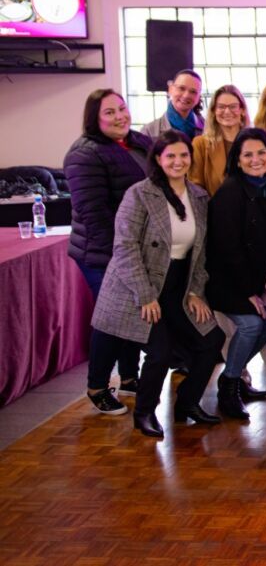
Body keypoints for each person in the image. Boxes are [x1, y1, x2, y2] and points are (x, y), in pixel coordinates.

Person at [89, 131, 225, 439]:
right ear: (158, 160)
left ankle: (187, 402)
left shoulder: (199, 196)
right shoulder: (139, 194)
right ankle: (144, 413)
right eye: (170, 156)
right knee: (160, 352)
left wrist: (195, 291)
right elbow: (125, 247)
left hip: (178, 289)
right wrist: (145, 295)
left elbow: (201, 252)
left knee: (212, 339)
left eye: (183, 155)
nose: (178, 161)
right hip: (136, 288)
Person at [65, 89, 152, 413]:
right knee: (112, 316)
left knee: (132, 313)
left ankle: (129, 377)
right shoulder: (84, 154)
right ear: (95, 118)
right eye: (109, 112)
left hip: (134, 247)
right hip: (102, 252)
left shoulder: (140, 142)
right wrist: (122, 256)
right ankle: (97, 386)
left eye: (122, 109)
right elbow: (94, 214)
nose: (120, 117)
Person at [206, 129, 266, 419]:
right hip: (227, 279)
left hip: (257, 278)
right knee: (251, 326)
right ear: (238, 160)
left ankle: (233, 379)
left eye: (261, 153)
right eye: (248, 155)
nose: (256, 159)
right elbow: (227, 248)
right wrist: (249, 292)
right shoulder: (230, 191)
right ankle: (230, 385)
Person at [190, 84, 249, 196]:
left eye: (233, 107)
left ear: (242, 110)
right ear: (214, 111)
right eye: (221, 107)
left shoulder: (255, 143)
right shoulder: (200, 144)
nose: (227, 112)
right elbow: (195, 188)